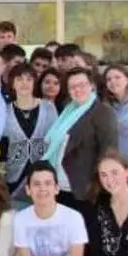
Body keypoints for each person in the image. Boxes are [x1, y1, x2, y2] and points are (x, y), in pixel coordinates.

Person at [42, 67, 117, 224]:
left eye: (82, 85)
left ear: (91, 86)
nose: (78, 90)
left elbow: (108, 153)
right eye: (73, 87)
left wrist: (99, 187)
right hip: (60, 187)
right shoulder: (68, 111)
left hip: (84, 190)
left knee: (86, 234)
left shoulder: (102, 112)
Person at [0, 64, 58, 199]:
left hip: (43, 175)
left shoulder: (48, 108)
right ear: (12, 83)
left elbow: (56, 141)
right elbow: (2, 146)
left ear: (34, 83)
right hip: (13, 176)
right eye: (19, 79)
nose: (24, 83)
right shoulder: (4, 111)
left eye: (29, 79)